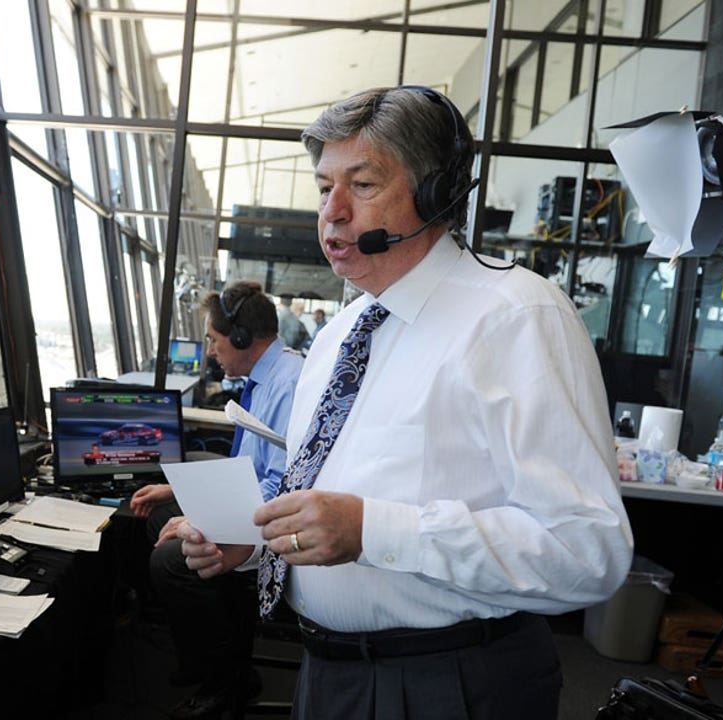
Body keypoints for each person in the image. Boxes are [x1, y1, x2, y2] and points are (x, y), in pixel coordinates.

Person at [175, 86, 633, 719]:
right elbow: (330, 499)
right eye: (322, 187)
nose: (331, 213)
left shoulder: (516, 316)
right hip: (328, 675)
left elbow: (589, 552)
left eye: (361, 185)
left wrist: (375, 530)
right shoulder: (339, 336)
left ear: (435, 193)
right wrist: (251, 546)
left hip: (449, 683)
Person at [130, 280, 302, 719]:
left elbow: (282, 484)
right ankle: (201, 656)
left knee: (169, 560)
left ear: (242, 338)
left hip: (276, 521)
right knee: (157, 519)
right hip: (257, 499)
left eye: (213, 339)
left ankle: (226, 682)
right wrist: (180, 493)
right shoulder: (265, 377)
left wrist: (199, 517)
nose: (209, 350)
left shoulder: (287, 386)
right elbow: (248, 464)